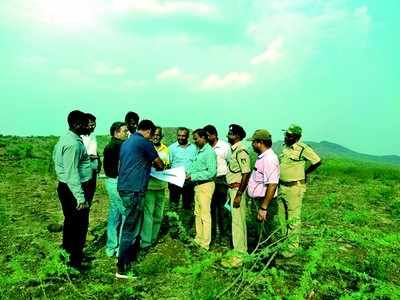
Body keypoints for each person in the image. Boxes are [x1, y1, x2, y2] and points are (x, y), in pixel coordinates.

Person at [116, 120, 164, 278]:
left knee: (129, 226)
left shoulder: (127, 142)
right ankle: (122, 268)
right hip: (135, 191)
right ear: (149, 131)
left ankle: (126, 260)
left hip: (124, 188)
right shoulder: (145, 143)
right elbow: (160, 165)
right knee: (131, 229)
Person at [53, 110, 92, 270]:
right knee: (77, 225)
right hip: (72, 189)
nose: (88, 126)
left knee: (71, 223)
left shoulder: (67, 139)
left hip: (67, 188)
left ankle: (70, 255)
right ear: (76, 124)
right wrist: (80, 198)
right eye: (84, 123)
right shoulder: (73, 144)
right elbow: (71, 173)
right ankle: (75, 261)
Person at [278, 124, 321, 257]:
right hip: (281, 186)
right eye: (286, 134)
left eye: (289, 135)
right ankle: (283, 242)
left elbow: (317, 161)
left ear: (297, 137)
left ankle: (292, 247)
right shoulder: (284, 148)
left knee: (293, 218)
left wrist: (305, 173)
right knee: (281, 217)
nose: (286, 137)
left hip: (294, 188)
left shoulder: (303, 148)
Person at [247, 130, 280, 244]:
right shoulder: (262, 157)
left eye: (253, 142)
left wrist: (263, 207)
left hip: (264, 201)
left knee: (263, 235)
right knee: (259, 233)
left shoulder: (269, 159)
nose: (252, 145)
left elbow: (272, 184)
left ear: (260, 142)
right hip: (259, 201)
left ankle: (267, 261)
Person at [186, 129, 217, 250]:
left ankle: (205, 243)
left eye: (196, 138)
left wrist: (193, 176)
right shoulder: (199, 152)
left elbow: (211, 172)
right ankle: (198, 238)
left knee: (205, 214)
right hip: (198, 185)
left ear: (204, 138)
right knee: (197, 213)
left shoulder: (209, 152)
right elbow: (196, 168)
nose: (194, 141)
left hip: (206, 185)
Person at [141, 127, 170, 249]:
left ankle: (153, 240)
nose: (156, 136)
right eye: (154, 134)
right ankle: (145, 243)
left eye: (158, 134)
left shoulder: (166, 149)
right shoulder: (146, 147)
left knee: (158, 215)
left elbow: (167, 165)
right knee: (148, 215)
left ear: (161, 136)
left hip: (161, 186)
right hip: (149, 186)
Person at [103, 122, 129, 257]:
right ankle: (121, 247)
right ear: (116, 133)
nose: (127, 134)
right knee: (126, 213)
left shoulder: (109, 146)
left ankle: (111, 246)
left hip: (110, 181)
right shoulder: (121, 146)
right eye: (124, 131)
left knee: (114, 214)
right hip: (119, 182)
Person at [226, 124, 251, 254]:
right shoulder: (233, 150)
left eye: (231, 134)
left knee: (238, 222)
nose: (228, 135)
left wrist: (239, 194)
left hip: (237, 189)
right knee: (236, 221)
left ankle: (239, 254)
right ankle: (240, 250)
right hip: (232, 189)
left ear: (237, 136)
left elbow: (246, 173)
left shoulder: (241, 151)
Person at [203, 124, 230, 244]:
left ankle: (224, 236)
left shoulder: (224, 147)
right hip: (208, 181)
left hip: (221, 181)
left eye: (208, 136)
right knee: (210, 209)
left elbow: (231, 164)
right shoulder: (204, 147)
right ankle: (212, 235)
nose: (206, 138)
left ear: (214, 135)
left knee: (222, 210)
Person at [168, 127, 197, 224]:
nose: (181, 138)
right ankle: (173, 227)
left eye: (183, 136)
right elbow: (169, 164)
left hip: (189, 181)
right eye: (179, 135)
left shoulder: (194, 148)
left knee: (187, 205)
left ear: (187, 136)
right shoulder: (171, 148)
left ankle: (185, 228)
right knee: (173, 205)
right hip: (175, 180)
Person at [81, 113, 101, 205]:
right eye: (90, 124)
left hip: (93, 169)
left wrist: (98, 162)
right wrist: (92, 157)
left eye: (94, 124)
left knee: (90, 196)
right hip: (84, 171)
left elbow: (94, 151)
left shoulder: (93, 136)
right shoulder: (80, 137)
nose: (93, 126)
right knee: (83, 196)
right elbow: (80, 155)